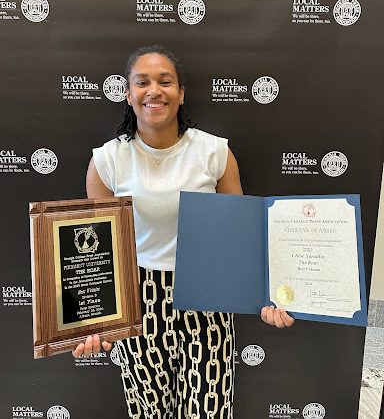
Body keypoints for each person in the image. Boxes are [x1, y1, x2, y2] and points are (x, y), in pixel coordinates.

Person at [73, 45, 294, 418]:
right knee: (150, 410)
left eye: (165, 81)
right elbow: (99, 255)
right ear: (128, 94)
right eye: (142, 82)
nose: (154, 91)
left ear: (181, 93)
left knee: (209, 407)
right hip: (138, 298)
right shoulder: (107, 160)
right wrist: (97, 321)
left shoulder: (214, 153)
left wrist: (271, 295)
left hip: (207, 297)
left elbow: (238, 239)